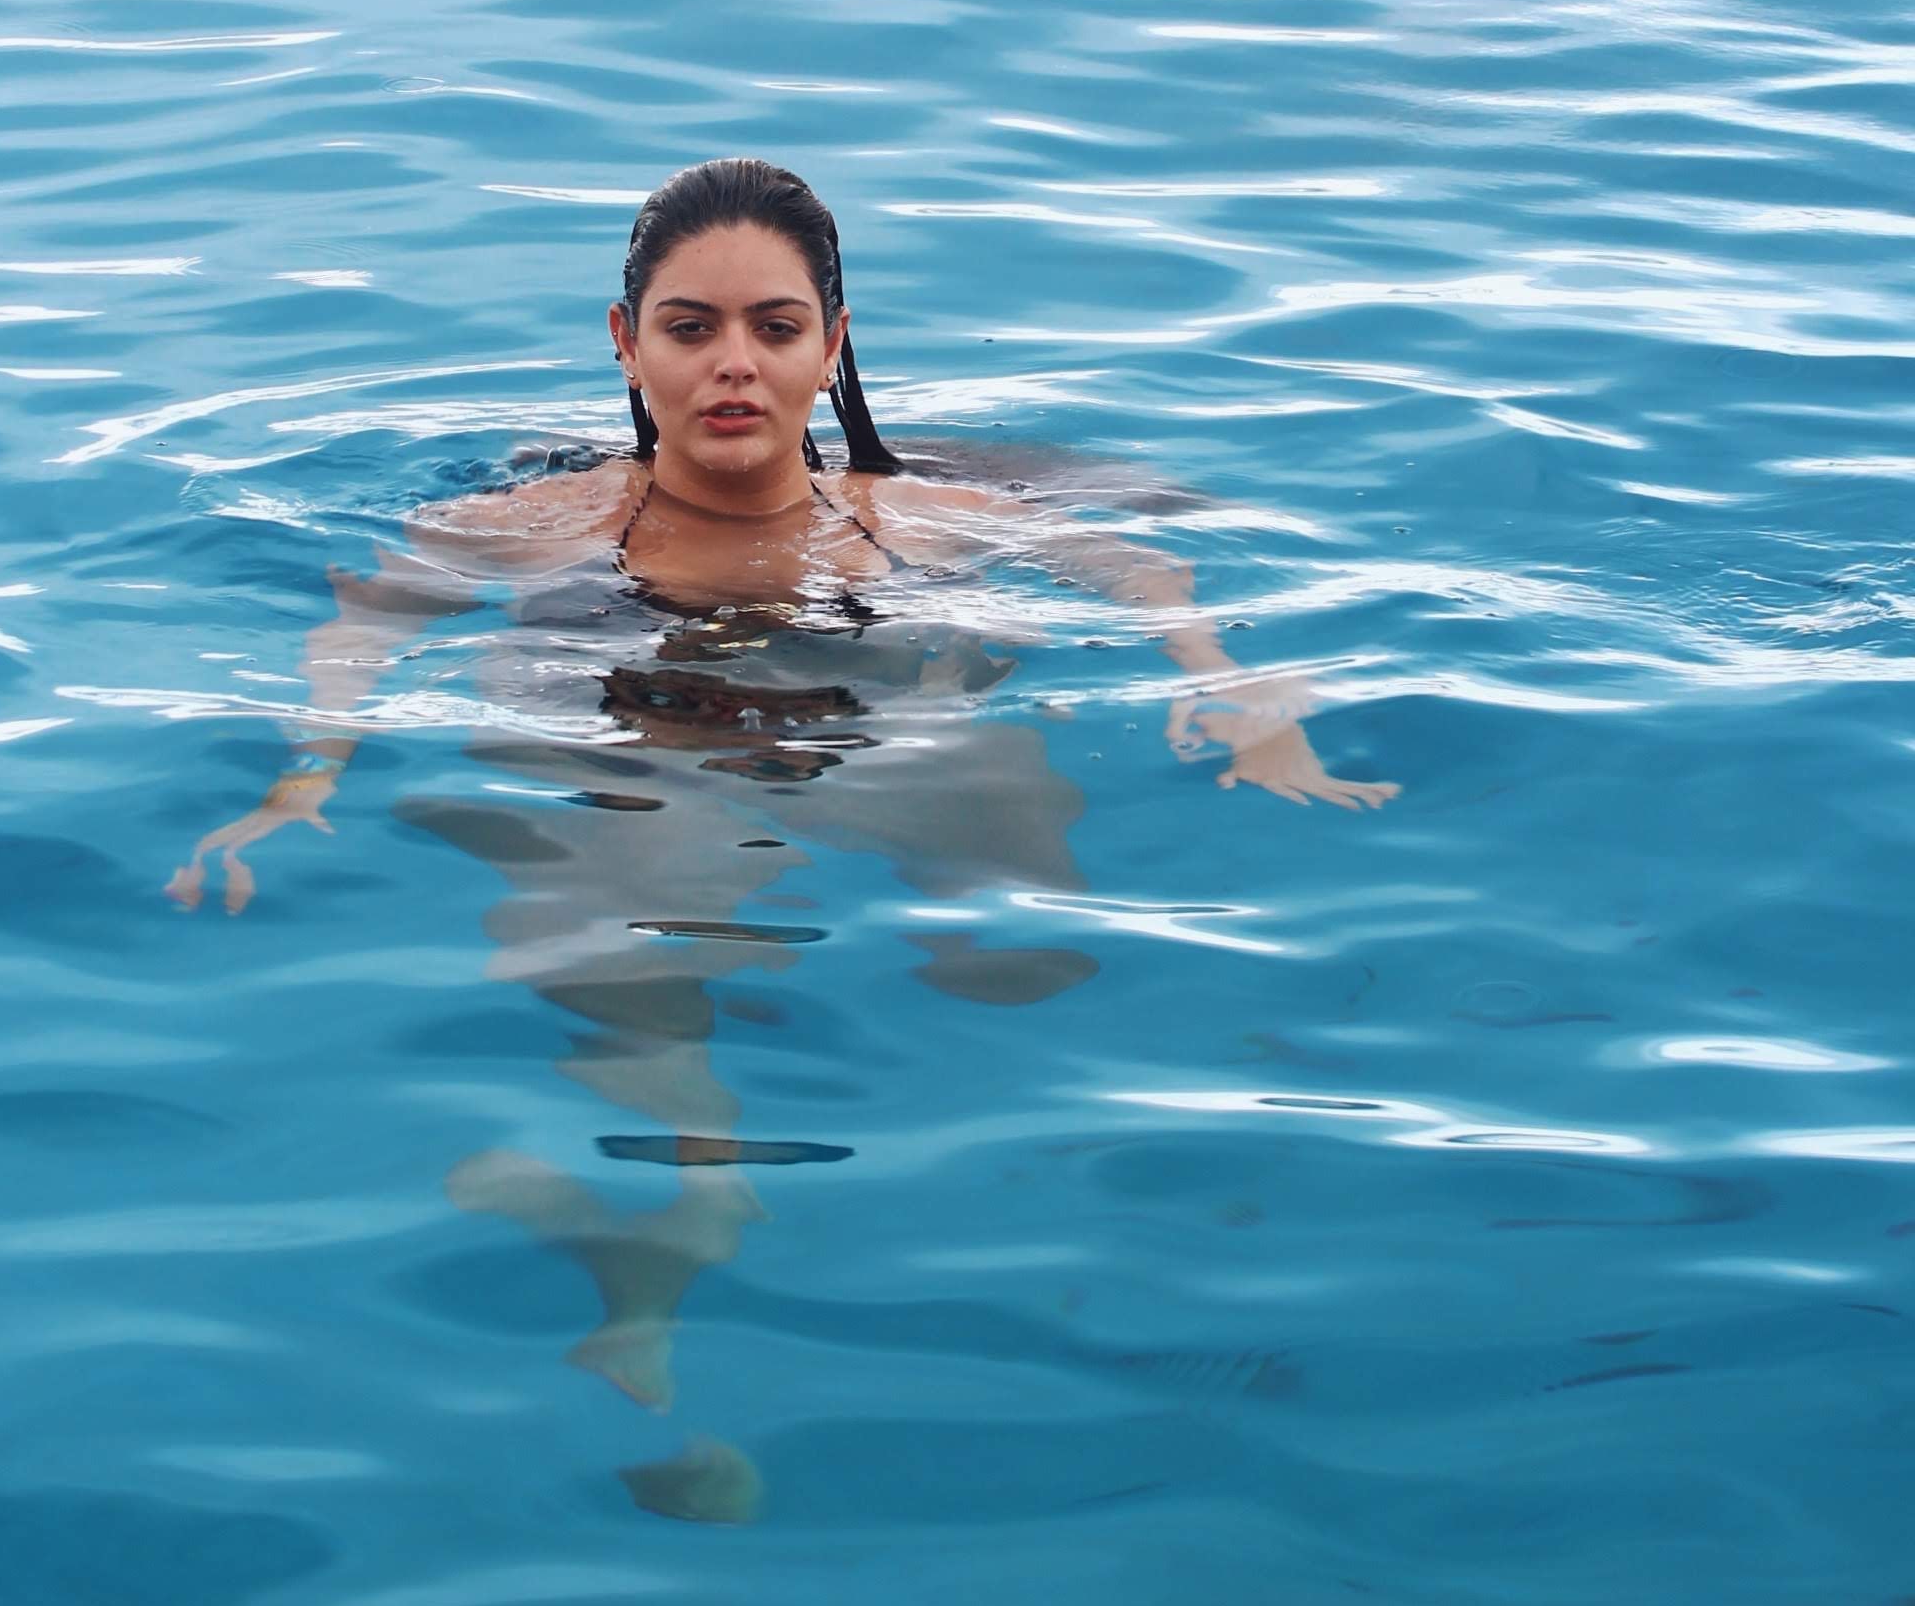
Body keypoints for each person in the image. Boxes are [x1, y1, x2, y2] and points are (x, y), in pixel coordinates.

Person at [169, 159, 1396, 1508]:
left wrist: (1234, 695)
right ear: (628, 346)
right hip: (637, 744)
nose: (733, 366)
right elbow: (363, 621)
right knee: (638, 913)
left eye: (774, 327)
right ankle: (686, 1210)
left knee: (1023, 944)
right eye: (691, 329)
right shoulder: (542, 526)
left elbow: (1144, 567)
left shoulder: (911, 516)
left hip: (862, 739)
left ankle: (740, 1216)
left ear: (833, 345)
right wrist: (304, 779)